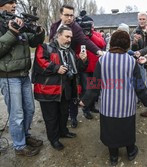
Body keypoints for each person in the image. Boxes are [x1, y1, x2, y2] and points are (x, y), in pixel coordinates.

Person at [80, 30, 147, 166]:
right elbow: (139, 86)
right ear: (127, 44)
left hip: (108, 106)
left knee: (110, 130)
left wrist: (84, 101)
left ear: (112, 43)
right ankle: (131, 151)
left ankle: (113, 157)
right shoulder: (131, 61)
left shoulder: (102, 60)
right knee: (127, 129)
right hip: (126, 106)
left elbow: (95, 85)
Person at [0, 0, 45, 156]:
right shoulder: (3, 24)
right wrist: (12, 33)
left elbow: (32, 42)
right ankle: (19, 146)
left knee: (30, 109)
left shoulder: (17, 20)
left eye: (15, 2)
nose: (14, 5)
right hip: (8, 76)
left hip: (24, 74)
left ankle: (25, 136)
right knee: (17, 113)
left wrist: (39, 32)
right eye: (10, 2)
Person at [32, 26, 88, 150]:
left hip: (65, 89)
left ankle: (63, 131)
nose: (69, 40)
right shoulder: (45, 47)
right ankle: (54, 139)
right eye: (67, 36)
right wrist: (56, 68)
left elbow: (77, 69)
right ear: (58, 35)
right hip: (48, 90)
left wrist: (83, 60)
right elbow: (40, 64)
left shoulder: (71, 51)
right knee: (51, 117)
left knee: (64, 113)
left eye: (71, 37)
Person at [49, 5, 103, 126]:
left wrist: (98, 51)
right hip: (56, 63)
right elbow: (51, 43)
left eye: (71, 15)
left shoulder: (75, 27)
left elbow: (85, 41)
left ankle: (73, 117)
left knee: (73, 91)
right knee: (59, 92)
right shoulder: (54, 26)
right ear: (60, 15)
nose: (69, 18)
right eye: (67, 15)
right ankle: (60, 118)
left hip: (72, 62)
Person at [71, 13, 106, 123]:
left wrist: (90, 35)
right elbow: (75, 50)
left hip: (95, 67)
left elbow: (102, 44)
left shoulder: (95, 34)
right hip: (84, 68)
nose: (91, 27)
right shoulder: (78, 36)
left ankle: (92, 107)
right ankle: (86, 109)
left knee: (95, 89)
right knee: (86, 89)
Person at [131, 11, 147, 86]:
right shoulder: (135, 32)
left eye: (143, 19)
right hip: (140, 59)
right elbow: (133, 49)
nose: (142, 21)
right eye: (140, 19)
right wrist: (135, 42)